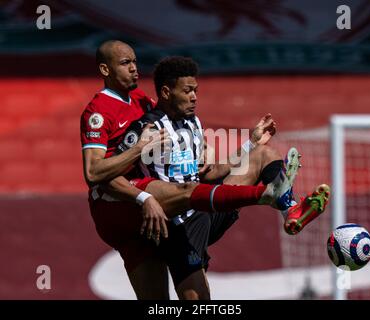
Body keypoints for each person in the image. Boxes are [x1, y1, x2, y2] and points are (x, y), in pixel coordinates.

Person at [80, 40, 318, 299]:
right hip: (158, 214)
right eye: (126, 63)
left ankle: (288, 208)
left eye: (135, 62)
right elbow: (96, 175)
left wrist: (249, 143)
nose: (135, 69)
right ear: (105, 69)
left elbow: (209, 173)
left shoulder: (161, 109)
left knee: (262, 154)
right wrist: (142, 183)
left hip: (199, 208)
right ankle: (265, 194)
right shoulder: (104, 114)